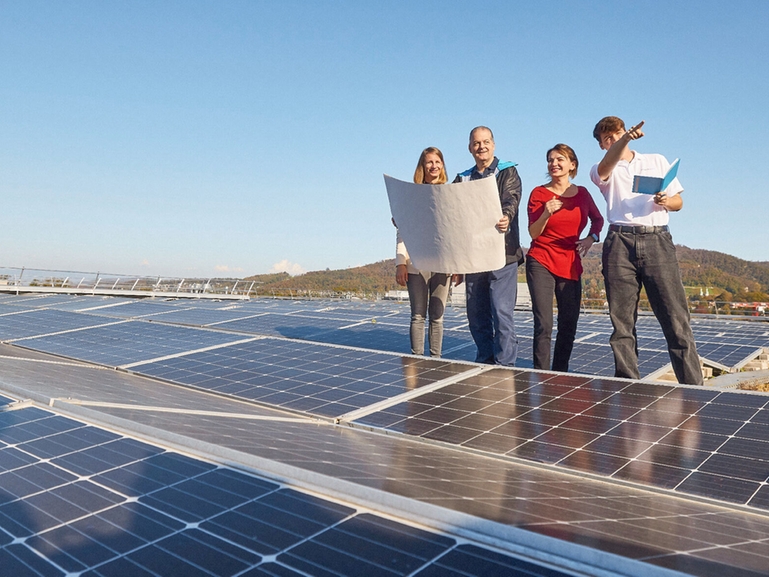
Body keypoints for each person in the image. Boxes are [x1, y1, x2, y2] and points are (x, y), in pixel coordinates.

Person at [590, 117, 703, 385]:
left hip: (657, 241)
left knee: (675, 317)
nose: (612, 140)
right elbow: (607, 166)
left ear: (623, 131)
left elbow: (679, 202)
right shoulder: (602, 168)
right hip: (619, 242)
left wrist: (666, 201)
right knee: (622, 322)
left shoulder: (656, 160)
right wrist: (625, 139)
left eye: (615, 134)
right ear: (601, 144)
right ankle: (628, 385)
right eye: (606, 139)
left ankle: (694, 388)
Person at [527, 144, 604, 372]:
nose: (554, 163)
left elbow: (598, 220)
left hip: (570, 262)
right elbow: (533, 232)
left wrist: (591, 238)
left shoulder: (582, 194)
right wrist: (546, 213)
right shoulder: (539, 194)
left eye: (560, 159)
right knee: (544, 324)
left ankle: (560, 373)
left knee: (569, 323)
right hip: (541, 259)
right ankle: (540, 374)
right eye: (550, 160)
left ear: (572, 165)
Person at [454, 127, 523, 366]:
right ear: (470, 147)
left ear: (493, 144)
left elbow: (511, 199)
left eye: (485, 142)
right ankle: (484, 359)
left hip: (502, 254)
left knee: (501, 313)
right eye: (476, 143)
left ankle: (505, 366)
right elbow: (448, 209)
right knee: (476, 315)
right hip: (474, 257)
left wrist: (506, 215)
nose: (481, 147)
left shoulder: (508, 172)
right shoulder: (462, 178)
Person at [395, 147, 452, 357]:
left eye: (438, 161)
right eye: (429, 162)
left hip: (443, 263)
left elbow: (454, 233)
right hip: (416, 264)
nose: (434, 166)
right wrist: (400, 262)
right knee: (418, 315)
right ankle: (417, 360)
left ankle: (435, 360)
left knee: (437, 316)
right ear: (422, 166)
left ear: (442, 165)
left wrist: (457, 265)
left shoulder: (451, 194)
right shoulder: (412, 195)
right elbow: (403, 231)